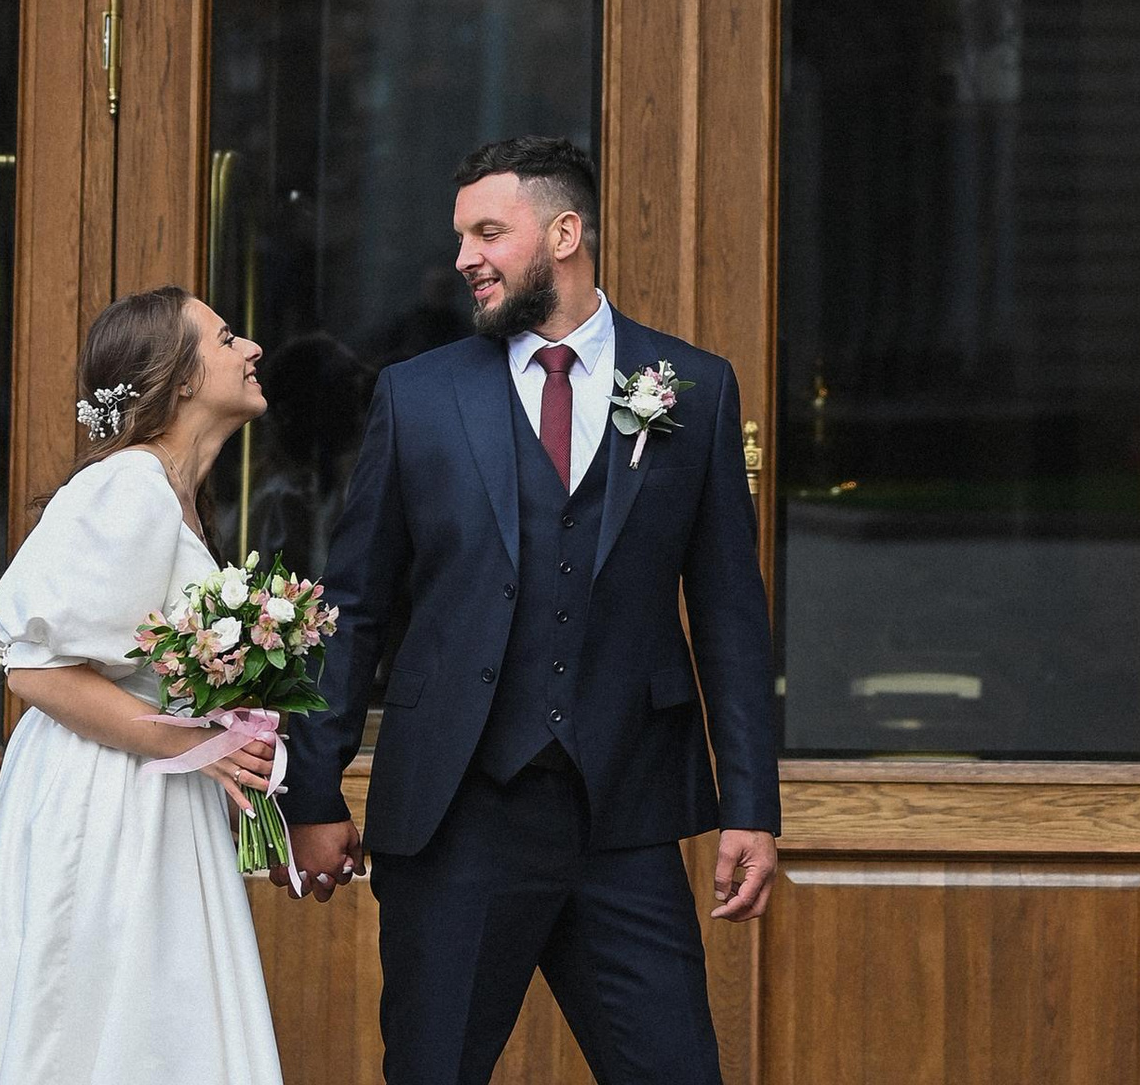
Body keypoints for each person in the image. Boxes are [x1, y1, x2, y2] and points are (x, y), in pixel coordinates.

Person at [284, 136, 780, 1085]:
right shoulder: (417, 398)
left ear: (564, 233)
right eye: (461, 235)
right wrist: (313, 791)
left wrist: (751, 803)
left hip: (625, 818)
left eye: (487, 232)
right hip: (455, 818)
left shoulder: (696, 389)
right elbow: (355, 609)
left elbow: (729, 615)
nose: (464, 256)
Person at [0, 286, 287, 1084]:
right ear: (178, 379)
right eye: (226, 336)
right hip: (106, 803)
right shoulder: (127, 487)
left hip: (155, 798)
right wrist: (190, 743)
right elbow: (34, 667)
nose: (252, 350)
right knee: (90, 1015)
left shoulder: (176, 498)